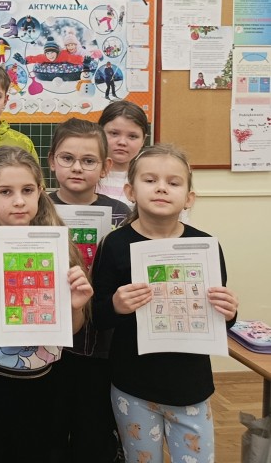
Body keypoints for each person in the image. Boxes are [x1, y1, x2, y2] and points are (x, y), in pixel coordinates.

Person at [91, 144, 237, 463]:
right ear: (130, 191)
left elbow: (219, 318)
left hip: (190, 386)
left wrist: (229, 312)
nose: (161, 188)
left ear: (189, 198)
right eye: (150, 180)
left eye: (173, 182)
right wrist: (115, 305)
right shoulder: (114, 244)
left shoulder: (205, 246)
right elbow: (97, 317)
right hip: (133, 385)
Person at [0, 146, 93, 463]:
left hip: (44, 383)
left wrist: (76, 306)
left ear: (40, 191)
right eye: (5, 191)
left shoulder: (58, 249)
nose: (18, 201)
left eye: (27, 190)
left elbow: (72, 328)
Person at [46, 119, 126, 462]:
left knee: (93, 432)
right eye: (67, 158)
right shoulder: (37, 209)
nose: (77, 167)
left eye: (88, 160)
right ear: (52, 161)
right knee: (50, 429)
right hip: (48, 346)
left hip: (100, 348)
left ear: (105, 167)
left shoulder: (121, 215)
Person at [96, 101, 149, 209]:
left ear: (143, 140)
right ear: (99, 133)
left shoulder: (151, 180)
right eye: (114, 133)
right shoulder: (85, 175)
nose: (122, 142)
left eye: (132, 136)